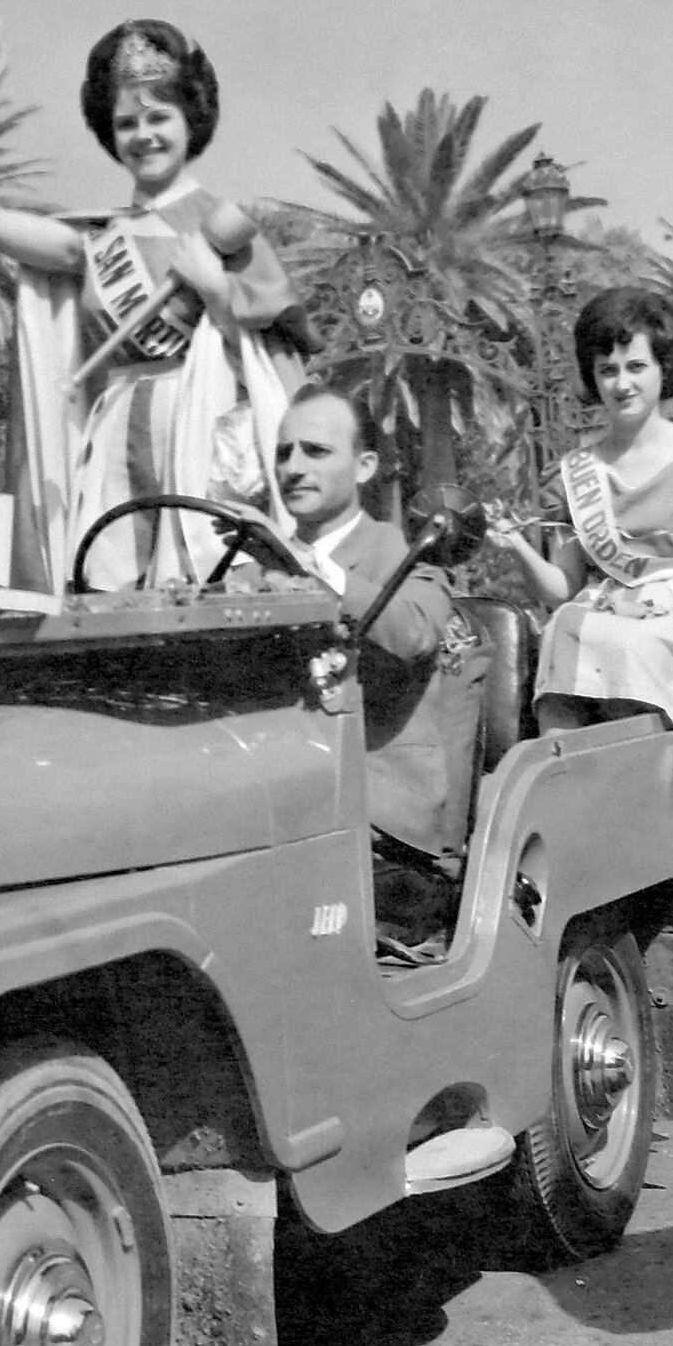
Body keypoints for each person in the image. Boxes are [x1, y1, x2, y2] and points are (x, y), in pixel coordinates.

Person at [0, 14, 312, 589]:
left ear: (191, 122)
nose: (144, 135)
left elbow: (277, 361)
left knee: (206, 583)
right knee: (110, 585)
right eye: (127, 123)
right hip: (117, 438)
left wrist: (217, 289)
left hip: (204, 431)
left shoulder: (223, 228)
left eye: (159, 117)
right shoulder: (97, 241)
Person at [487, 286, 673, 809]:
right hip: (607, 613)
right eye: (607, 370)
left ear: (662, 369)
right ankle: (572, 801)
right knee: (568, 629)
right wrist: (517, 547)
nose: (621, 383)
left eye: (635, 366)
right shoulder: (574, 477)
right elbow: (563, 590)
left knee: (626, 643)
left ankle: (640, 800)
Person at [267, 385, 493, 968]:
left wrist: (319, 576)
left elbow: (416, 631)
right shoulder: (259, 565)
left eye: (315, 451)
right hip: (278, 804)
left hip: (386, 838)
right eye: (284, 452)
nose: (293, 467)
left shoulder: (405, 553)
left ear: (365, 466)